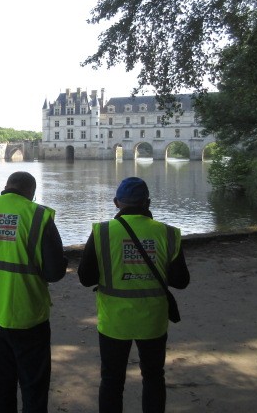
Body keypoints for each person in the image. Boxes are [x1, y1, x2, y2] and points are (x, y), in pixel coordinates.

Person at [0, 171, 68, 413]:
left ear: (6, 187)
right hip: (29, 314)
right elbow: (54, 273)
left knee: (2, 384)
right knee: (34, 386)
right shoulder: (38, 216)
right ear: (32, 192)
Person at [77, 177, 190, 413]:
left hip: (114, 321)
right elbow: (181, 281)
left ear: (116, 202)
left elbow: (86, 278)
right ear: (148, 202)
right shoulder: (167, 234)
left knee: (111, 380)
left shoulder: (102, 232)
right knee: (153, 377)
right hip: (153, 320)